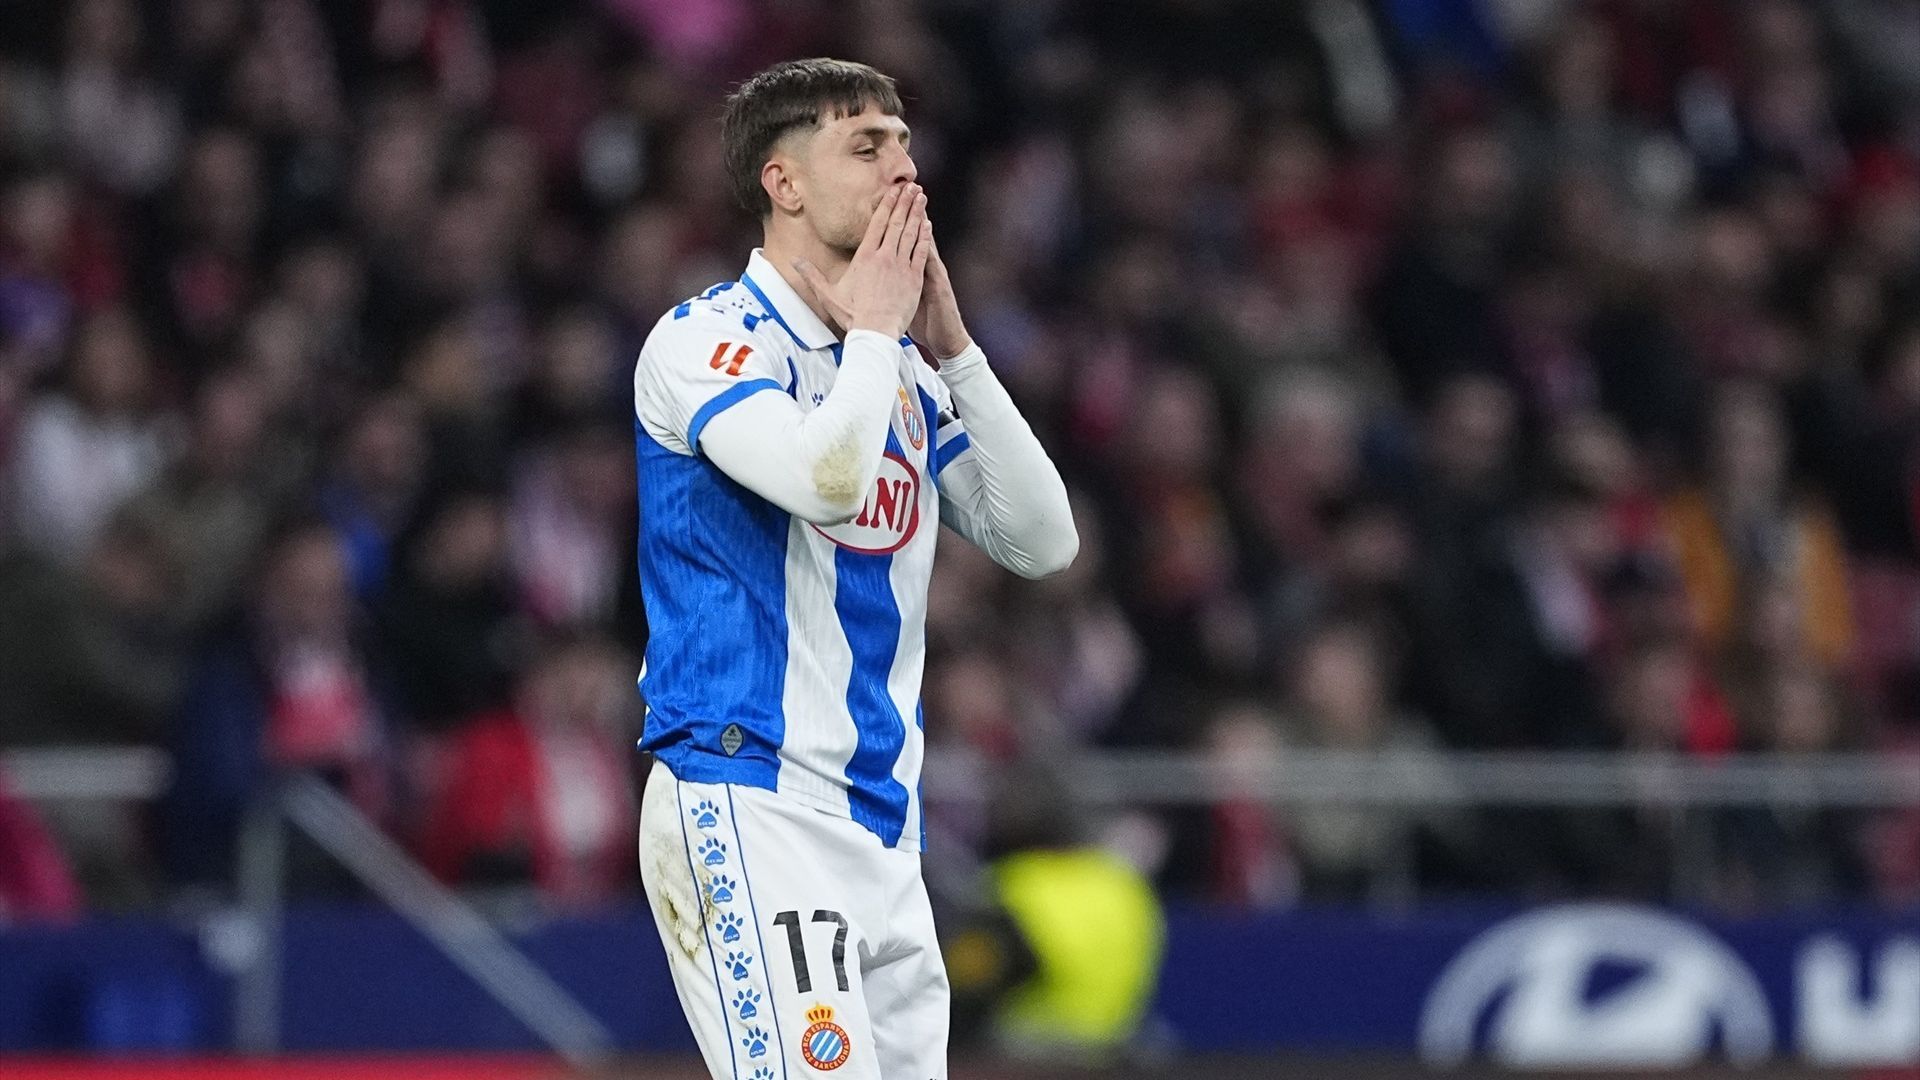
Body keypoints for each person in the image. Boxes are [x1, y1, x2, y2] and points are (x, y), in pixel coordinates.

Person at [631, 58, 1076, 1080]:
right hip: (750, 795)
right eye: (867, 145)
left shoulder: (905, 373)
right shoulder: (706, 342)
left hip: (884, 826)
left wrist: (952, 347)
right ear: (783, 183)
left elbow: (1043, 539)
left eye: (907, 141)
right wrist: (880, 332)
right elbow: (825, 482)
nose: (904, 168)